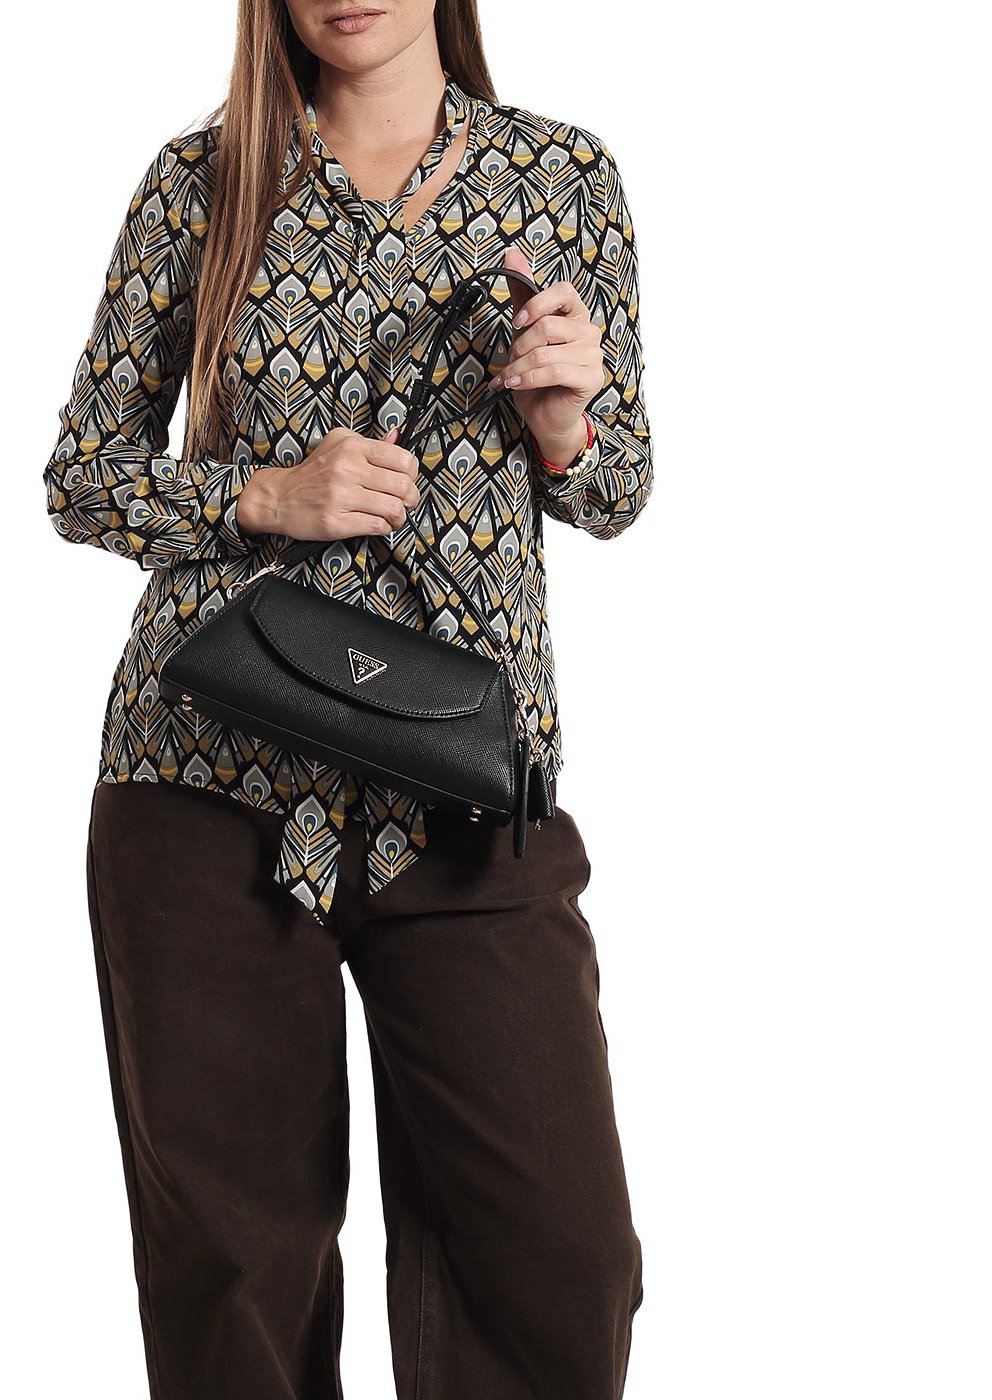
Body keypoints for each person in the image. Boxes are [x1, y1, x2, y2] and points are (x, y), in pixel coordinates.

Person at [42, 2, 654, 1395]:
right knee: (234, 1274)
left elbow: (616, 489)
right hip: (206, 769)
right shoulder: (204, 181)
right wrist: (265, 496)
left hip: (464, 780)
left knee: (561, 1259)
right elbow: (84, 475)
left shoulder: (561, 174)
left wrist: (566, 419)